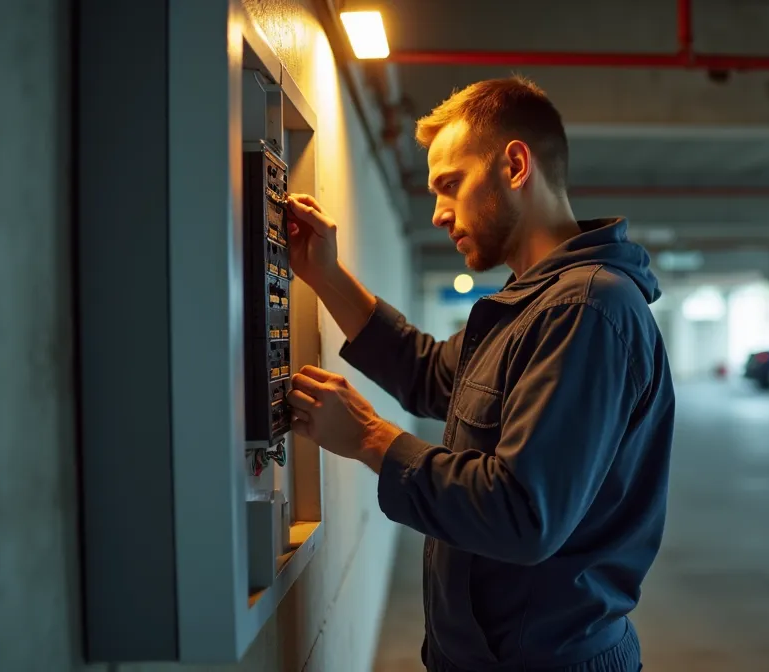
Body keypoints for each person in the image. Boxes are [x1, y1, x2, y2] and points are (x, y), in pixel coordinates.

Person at [282, 76, 674, 672]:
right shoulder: (533, 303)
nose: (438, 212)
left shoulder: (587, 310)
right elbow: (431, 374)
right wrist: (328, 277)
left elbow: (522, 515)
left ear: (515, 165)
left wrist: (370, 438)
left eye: (450, 185)